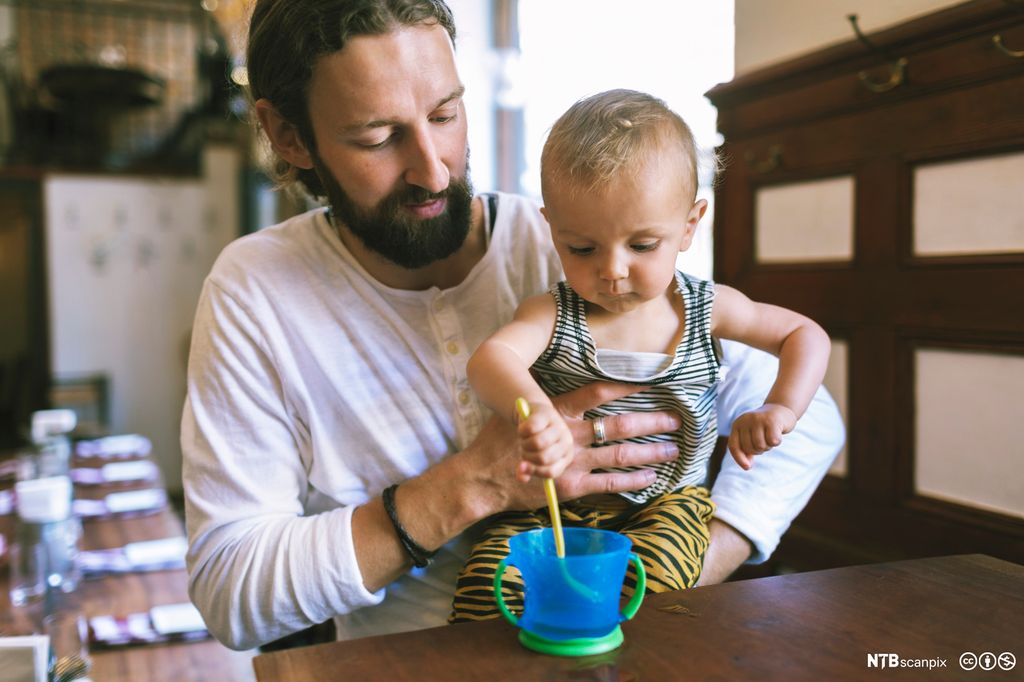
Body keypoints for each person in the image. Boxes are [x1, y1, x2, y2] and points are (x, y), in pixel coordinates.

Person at [181, 0, 845, 651]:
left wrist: (677, 567)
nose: (434, 167)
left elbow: (810, 419)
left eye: (445, 113)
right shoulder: (256, 292)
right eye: (378, 137)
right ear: (290, 136)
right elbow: (230, 595)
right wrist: (475, 484)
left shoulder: (581, 249)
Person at [450, 90, 831, 621]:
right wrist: (538, 412)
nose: (612, 270)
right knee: (487, 585)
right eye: (581, 248)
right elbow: (492, 359)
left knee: (654, 593)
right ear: (551, 228)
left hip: (667, 505)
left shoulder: (708, 307)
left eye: (643, 245)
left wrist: (780, 408)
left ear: (690, 226)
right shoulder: (553, 313)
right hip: (552, 508)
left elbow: (803, 334)